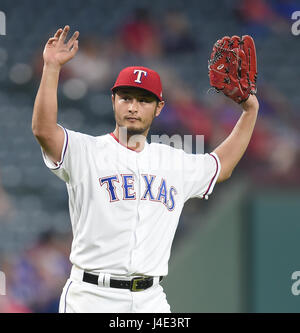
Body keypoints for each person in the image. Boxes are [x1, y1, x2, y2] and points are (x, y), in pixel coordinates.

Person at [32, 26, 259, 313]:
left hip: (150, 299)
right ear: (113, 100)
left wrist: (250, 111)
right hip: (91, 297)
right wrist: (51, 68)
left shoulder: (173, 162)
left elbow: (221, 166)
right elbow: (43, 130)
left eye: (143, 100)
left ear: (159, 107)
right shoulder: (85, 151)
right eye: (126, 97)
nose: (133, 107)